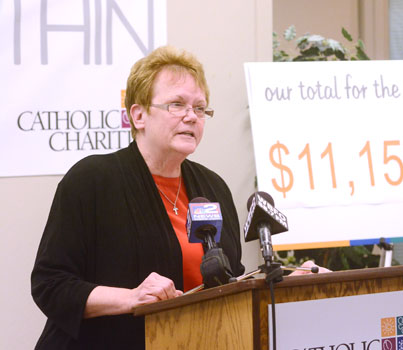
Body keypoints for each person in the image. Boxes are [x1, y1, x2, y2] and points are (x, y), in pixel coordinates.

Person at [31, 46, 246, 349]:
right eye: (177, 104)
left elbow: (230, 278)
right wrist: (131, 298)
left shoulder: (213, 187)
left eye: (200, 108)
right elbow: (50, 286)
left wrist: (285, 276)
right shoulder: (91, 181)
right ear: (139, 114)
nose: (191, 117)